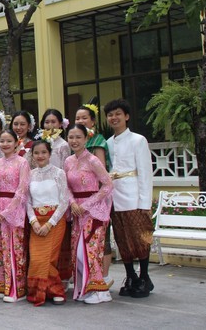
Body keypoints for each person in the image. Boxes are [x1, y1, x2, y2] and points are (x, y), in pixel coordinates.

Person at [104, 99, 155, 298]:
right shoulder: (107, 143)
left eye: (118, 113)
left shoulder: (138, 140)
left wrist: (145, 202)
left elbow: (145, 172)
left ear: (126, 116)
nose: (114, 118)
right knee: (122, 239)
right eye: (110, 115)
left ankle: (144, 277)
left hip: (133, 196)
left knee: (140, 237)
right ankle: (130, 276)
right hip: (115, 198)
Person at [64, 124, 113, 304]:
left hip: (93, 212)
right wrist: (73, 203)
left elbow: (108, 185)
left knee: (89, 251)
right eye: (71, 137)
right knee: (77, 253)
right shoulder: (68, 161)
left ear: (86, 139)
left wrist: (87, 204)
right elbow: (66, 187)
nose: (74, 141)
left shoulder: (92, 160)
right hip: (77, 210)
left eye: (78, 137)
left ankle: (100, 291)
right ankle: (87, 287)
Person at [26, 140, 69, 306]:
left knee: (49, 259)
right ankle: (47, 290)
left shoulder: (59, 173)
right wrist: (33, 221)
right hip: (36, 222)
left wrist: (50, 223)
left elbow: (64, 200)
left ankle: (55, 291)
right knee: (37, 259)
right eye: (36, 153)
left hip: (55, 221)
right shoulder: (30, 175)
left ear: (50, 154)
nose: (40, 156)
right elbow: (27, 201)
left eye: (43, 152)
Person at [75, 103, 114, 285]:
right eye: (77, 118)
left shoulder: (97, 141)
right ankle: (86, 280)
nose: (81, 120)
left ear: (92, 121)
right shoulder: (76, 141)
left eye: (84, 117)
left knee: (98, 240)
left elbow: (102, 174)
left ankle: (102, 278)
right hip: (78, 200)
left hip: (96, 196)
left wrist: (93, 200)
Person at [0, 129, 30, 302]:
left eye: (9, 141)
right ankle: (2, 284)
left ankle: (16, 288)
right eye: (2, 141)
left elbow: (22, 190)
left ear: (17, 142)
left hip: (14, 209)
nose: (5, 144)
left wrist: (7, 211)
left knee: (14, 248)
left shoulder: (22, 162)